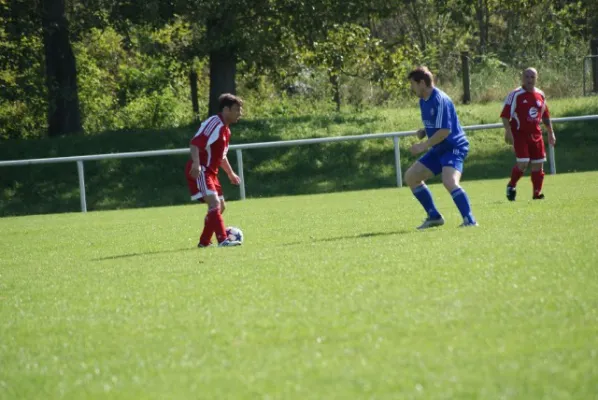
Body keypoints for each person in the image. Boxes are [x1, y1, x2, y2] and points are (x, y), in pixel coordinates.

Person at [404, 66, 477, 229]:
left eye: (413, 84)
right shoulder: (423, 100)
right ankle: (434, 216)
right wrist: (425, 131)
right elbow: (437, 125)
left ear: (421, 83)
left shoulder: (440, 99)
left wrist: (423, 145)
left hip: (453, 146)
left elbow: (445, 130)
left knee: (449, 181)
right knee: (411, 177)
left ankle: (470, 220)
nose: (411, 88)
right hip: (439, 147)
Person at [185, 93, 244, 247]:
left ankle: (204, 242)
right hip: (202, 170)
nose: (240, 113)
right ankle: (223, 240)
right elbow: (195, 143)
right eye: (236, 110)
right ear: (226, 110)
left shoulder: (226, 130)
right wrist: (196, 164)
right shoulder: (214, 123)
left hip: (211, 173)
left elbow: (222, 157)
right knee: (214, 203)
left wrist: (230, 173)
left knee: (221, 206)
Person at [501, 67, 556, 201]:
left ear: (536, 78)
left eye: (532, 77)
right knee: (523, 163)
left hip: (536, 134)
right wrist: (508, 131)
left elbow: (546, 116)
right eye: (527, 76)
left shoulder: (540, 95)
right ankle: (511, 185)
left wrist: (550, 132)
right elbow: (505, 115)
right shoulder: (515, 95)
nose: (529, 79)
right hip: (519, 134)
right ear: (522, 78)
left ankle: (536, 194)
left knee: (538, 164)